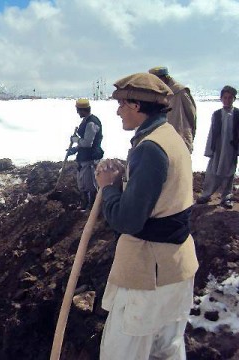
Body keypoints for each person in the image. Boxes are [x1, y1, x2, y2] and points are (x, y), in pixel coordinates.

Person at [95, 73, 199, 359]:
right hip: (176, 267)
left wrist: (108, 189)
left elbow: (128, 220)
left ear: (137, 106)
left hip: (147, 274)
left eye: (122, 105)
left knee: (124, 352)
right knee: (166, 350)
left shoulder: (151, 149)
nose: (118, 111)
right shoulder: (168, 137)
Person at [196, 86, 239, 209]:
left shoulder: (237, 114)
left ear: (234, 99)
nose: (227, 100)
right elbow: (212, 132)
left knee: (229, 173)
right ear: (221, 99)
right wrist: (209, 149)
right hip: (218, 148)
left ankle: (226, 197)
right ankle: (206, 194)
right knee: (212, 171)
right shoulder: (216, 114)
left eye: (230, 98)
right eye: (225, 97)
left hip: (231, 148)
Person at [66, 98, 104, 210]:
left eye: (78, 110)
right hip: (84, 157)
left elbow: (87, 143)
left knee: (90, 184)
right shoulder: (86, 120)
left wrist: (75, 139)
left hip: (90, 158)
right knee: (82, 183)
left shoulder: (91, 123)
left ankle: (92, 207)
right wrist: (75, 149)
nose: (78, 113)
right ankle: (85, 204)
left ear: (83, 110)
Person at [149, 66, 197, 152]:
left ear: (164, 78)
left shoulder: (180, 91)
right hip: (161, 140)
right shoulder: (156, 94)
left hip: (180, 138)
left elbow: (191, 114)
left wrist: (189, 134)